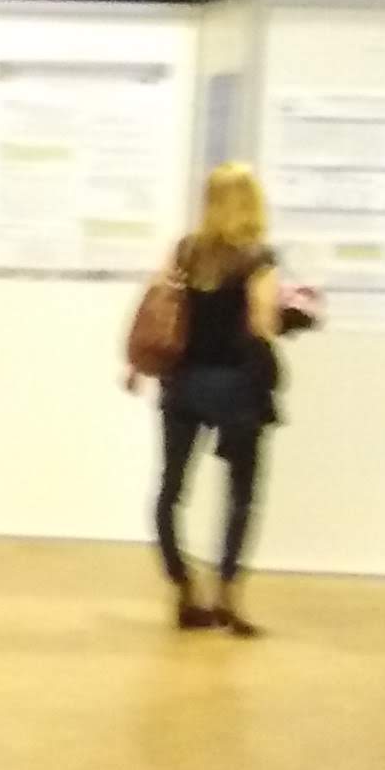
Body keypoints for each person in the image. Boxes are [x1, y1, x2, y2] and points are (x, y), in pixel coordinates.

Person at [142, 163, 282, 635]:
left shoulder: (185, 252)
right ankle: (227, 595)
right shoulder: (258, 259)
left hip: (183, 382)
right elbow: (262, 324)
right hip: (237, 385)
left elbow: (159, 300)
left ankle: (184, 588)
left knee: (171, 489)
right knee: (241, 493)